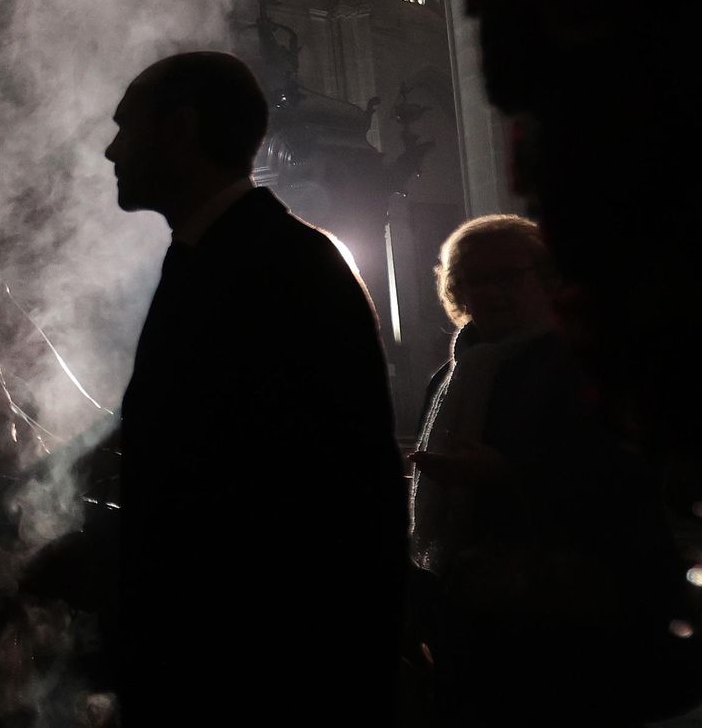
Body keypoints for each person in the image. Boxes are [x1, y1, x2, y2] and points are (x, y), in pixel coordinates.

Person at [106, 51, 406, 724]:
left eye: (126, 127)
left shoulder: (286, 264)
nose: (110, 150)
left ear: (181, 130)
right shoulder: (208, 253)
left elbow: (323, 492)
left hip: (267, 673)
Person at [408, 215, 696, 727]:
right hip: (481, 619)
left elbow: (637, 482)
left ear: (548, 280)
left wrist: (512, 477)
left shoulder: (590, 363)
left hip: (584, 619)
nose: (492, 291)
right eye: (475, 278)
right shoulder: (451, 377)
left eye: (508, 276)